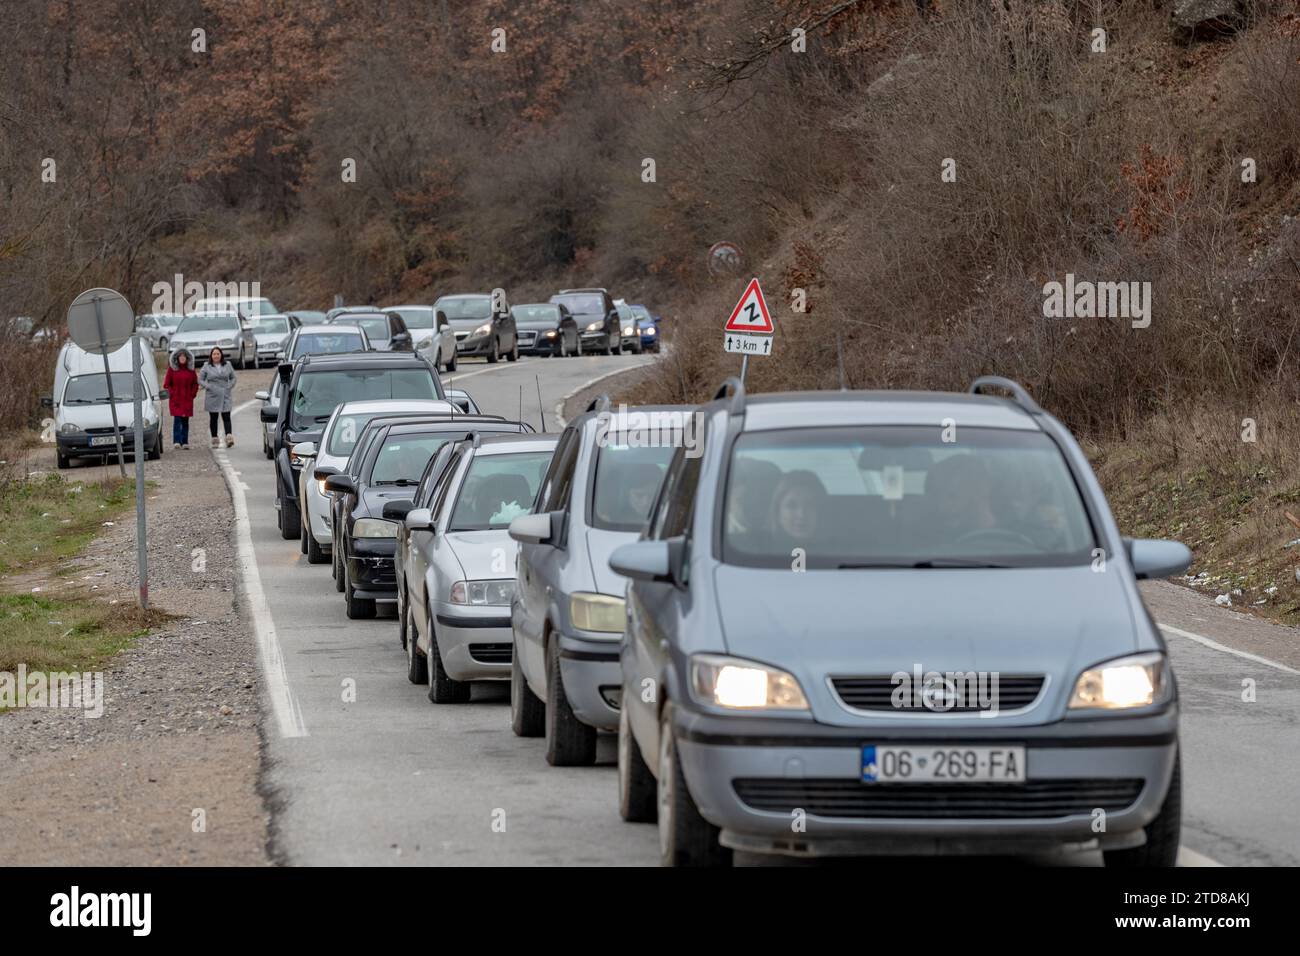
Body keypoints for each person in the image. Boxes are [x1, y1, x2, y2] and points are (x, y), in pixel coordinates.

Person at [768, 470, 828, 551]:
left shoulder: (837, 551)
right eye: (792, 506)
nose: (801, 515)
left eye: (809, 505)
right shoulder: (757, 551)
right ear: (777, 512)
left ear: (820, 511)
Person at [198, 346, 237, 448]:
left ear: (221, 355)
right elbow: (200, 379)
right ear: (211, 355)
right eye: (214, 354)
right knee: (214, 418)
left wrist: (230, 386)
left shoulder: (227, 365)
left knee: (226, 416)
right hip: (212, 395)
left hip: (225, 393)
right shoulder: (206, 366)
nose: (216, 356)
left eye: (218, 354)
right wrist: (208, 386)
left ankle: (229, 437)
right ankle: (215, 439)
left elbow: (233, 378)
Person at [162, 347, 198, 449]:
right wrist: (173, 393)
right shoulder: (172, 370)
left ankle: (185, 441)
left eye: (184, 356)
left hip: (187, 400)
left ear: (187, 358)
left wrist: (192, 394)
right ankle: (177, 441)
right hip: (176, 400)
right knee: (177, 420)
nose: (182, 358)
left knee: (185, 421)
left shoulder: (191, 370)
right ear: (177, 358)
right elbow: (166, 384)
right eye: (180, 356)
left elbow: (195, 384)